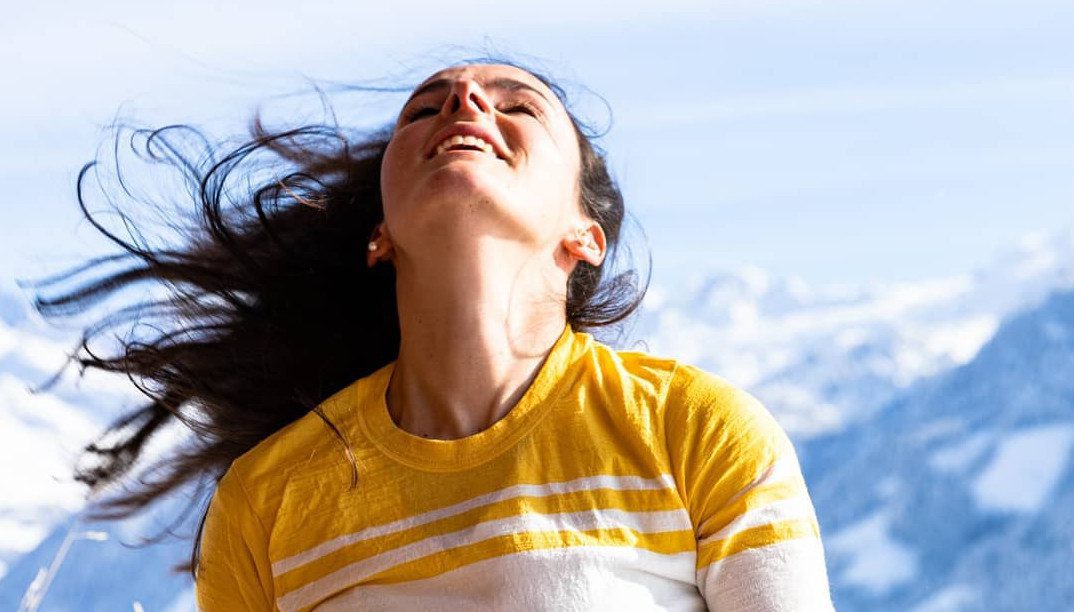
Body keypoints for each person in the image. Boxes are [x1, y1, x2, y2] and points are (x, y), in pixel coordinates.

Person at [39, 60, 833, 610]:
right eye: (425, 109)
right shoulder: (264, 498)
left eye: (519, 107)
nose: (465, 104)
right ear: (379, 235)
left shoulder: (694, 430)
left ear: (583, 235)